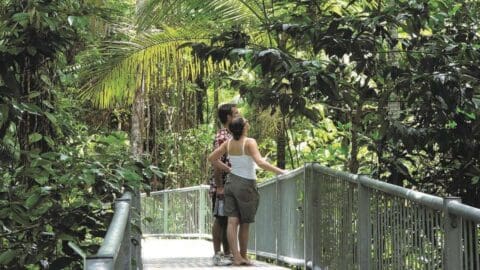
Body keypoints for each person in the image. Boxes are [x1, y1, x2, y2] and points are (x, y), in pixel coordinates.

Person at [208, 117, 287, 266]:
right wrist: (281, 172)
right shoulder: (249, 142)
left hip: (230, 183)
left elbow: (212, 158)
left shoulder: (229, 143)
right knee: (245, 222)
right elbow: (260, 162)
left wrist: (229, 169)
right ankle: (243, 255)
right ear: (243, 127)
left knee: (232, 221)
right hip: (246, 184)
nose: (248, 123)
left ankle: (237, 257)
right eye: (246, 122)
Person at [209, 103, 239, 266]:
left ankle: (228, 253)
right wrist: (219, 186)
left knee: (229, 219)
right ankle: (217, 253)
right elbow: (216, 163)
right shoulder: (223, 136)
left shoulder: (232, 135)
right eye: (235, 114)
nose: (238, 116)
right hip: (223, 184)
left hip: (232, 184)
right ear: (228, 117)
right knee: (220, 219)